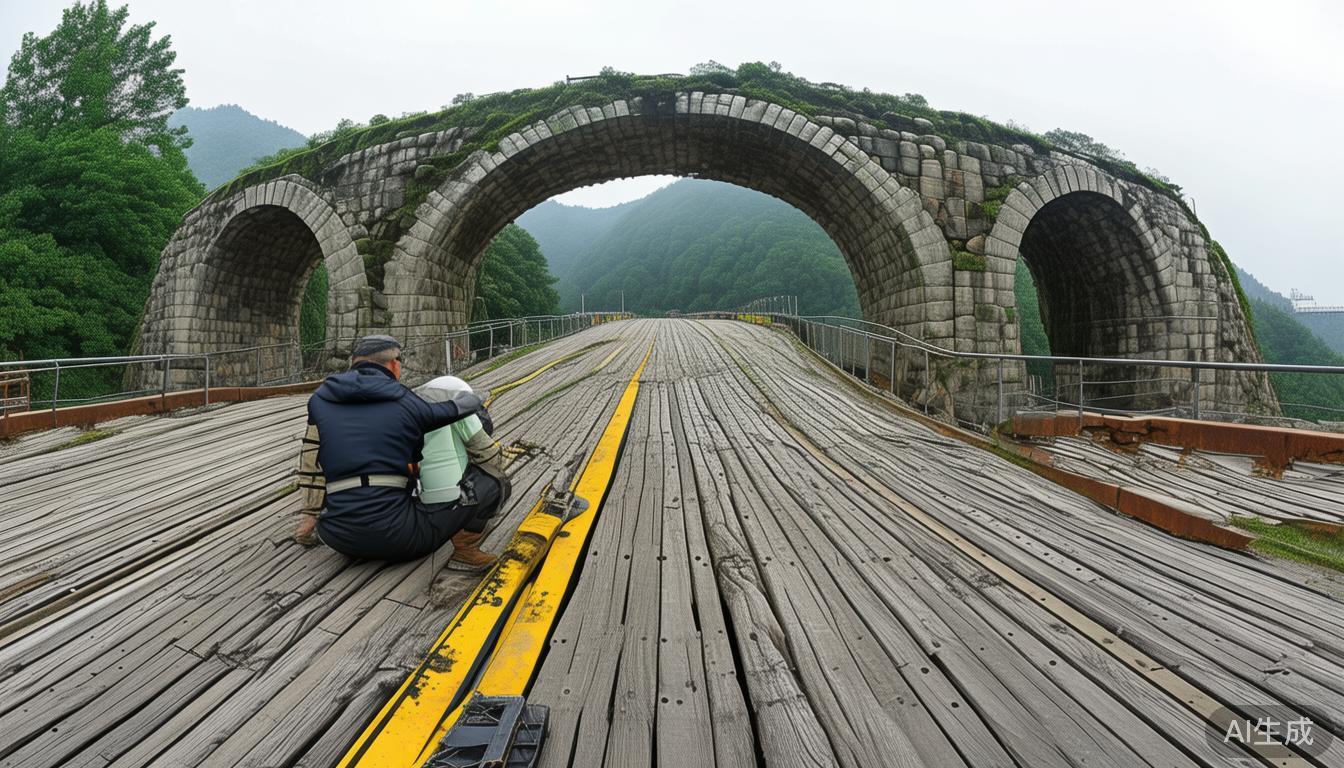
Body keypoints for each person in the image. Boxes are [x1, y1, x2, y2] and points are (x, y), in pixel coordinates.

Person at [291, 334, 500, 570]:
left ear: (354, 362)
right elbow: (452, 410)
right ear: (394, 364)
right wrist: (478, 397)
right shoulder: (405, 402)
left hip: (337, 539)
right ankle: (465, 553)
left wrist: (310, 514)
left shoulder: (320, 400)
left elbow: (311, 459)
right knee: (492, 482)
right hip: (401, 539)